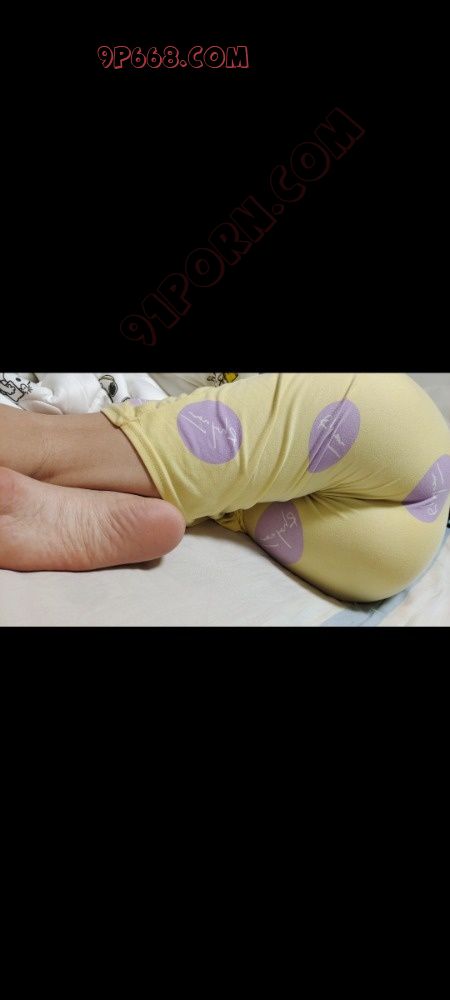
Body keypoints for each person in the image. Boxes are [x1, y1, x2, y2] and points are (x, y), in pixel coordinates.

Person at [0, 372, 449, 601]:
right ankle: (50, 461)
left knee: (388, 427)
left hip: (352, 501)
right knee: (383, 410)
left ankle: (68, 468)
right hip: (346, 521)